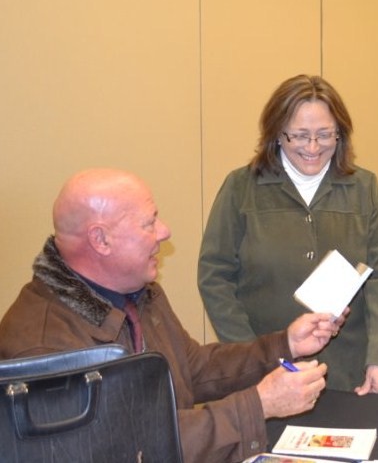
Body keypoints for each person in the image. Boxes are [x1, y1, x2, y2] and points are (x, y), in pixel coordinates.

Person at [0, 168, 343, 463]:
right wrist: (258, 405)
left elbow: (193, 368)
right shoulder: (44, 350)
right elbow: (129, 448)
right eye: (149, 222)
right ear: (101, 240)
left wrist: (284, 345)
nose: (165, 231)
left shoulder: (137, 294)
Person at [198, 74, 378, 395]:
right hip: (268, 371)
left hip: (347, 368)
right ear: (276, 134)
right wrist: (249, 357)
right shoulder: (241, 188)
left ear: (341, 134)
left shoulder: (364, 187)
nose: (313, 148)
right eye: (299, 136)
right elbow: (215, 277)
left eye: (325, 135)